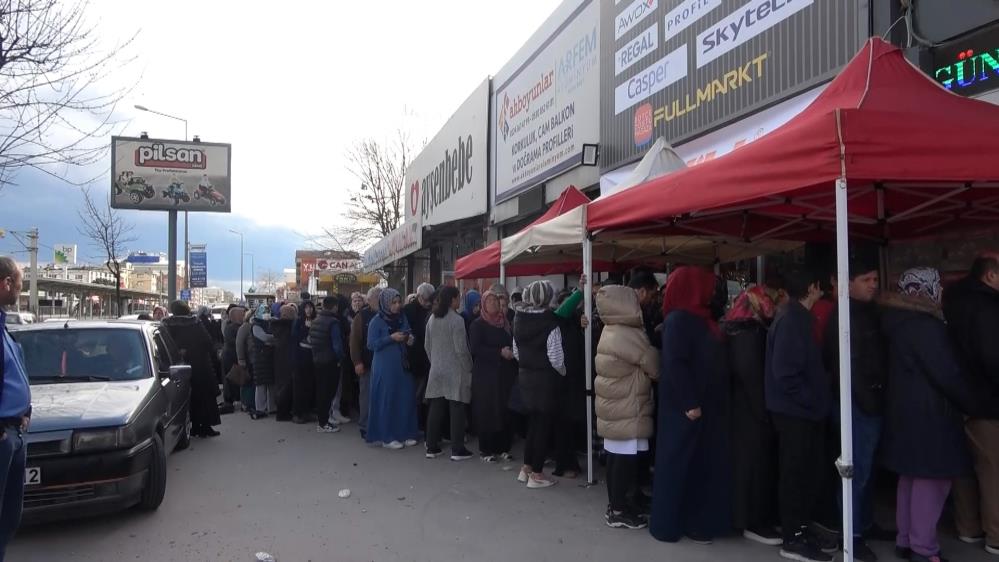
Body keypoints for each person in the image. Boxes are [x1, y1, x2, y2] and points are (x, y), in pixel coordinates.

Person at [881, 267, 995, 562]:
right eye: (938, 286)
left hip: (906, 413)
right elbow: (948, 374)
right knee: (932, 482)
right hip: (930, 415)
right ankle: (924, 548)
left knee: (911, 478)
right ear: (927, 290)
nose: (942, 292)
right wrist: (976, 402)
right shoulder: (925, 327)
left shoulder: (896, 321)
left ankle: (906, 540)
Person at [650, 266, 731, 544]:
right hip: (685, 408)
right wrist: (689, 403)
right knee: (676, 465)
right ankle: (668, 525)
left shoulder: (698, 318)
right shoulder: (678, 320)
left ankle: (694, 522)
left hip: (699, 406)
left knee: (696, 467)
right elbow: (675, 363)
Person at [765, 267, 833, 562]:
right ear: (813, 287)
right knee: (794, 474)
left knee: (803, 472)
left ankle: (800, 527)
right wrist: (814, 401)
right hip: (794, 413)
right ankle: (792, 537)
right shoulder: (792, 319)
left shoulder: (795, 317)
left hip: (799, 410)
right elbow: (785, 374)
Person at [821, 261, 886, 560]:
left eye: (875, 278)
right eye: (867, 278)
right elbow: (848, 367)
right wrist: (869, 402)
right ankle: (852, 532)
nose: (873, 283)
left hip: (865, 402)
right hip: (856, 406)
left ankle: (863, 524)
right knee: (854, 471)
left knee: (865, 470)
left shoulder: (866, 312)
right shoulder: (845, 316)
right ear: (848, 283)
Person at [943, 252, 999, 555]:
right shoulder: (987, 307)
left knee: (964, 468)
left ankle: (968, 527)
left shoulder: (953, 301)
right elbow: (993, 357)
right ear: (989, 276)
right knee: (993, 469)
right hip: (986, 399)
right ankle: (997, 535)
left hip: (958, 395)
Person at [595, 283, 659, 530]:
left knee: (617, 459)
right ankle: (619, 510)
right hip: (626, 407)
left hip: (617, 407)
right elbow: (653, 364)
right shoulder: (626, 333)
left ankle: (620, 504)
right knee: (622, 461)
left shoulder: (612, 329)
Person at [723, 286, 781, 546]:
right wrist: (764, 412)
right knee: (753, 468)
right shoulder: (748, 334)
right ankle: (752, 520)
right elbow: (752, 378)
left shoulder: (737, 329)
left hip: (741, 410)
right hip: (750, 414)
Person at [512, 280, 563, 489]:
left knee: (532, 423)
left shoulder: (518, 318)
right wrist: (563, 372)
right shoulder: (550, 321)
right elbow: (556, 357)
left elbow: (516, 352)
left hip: (525, 378)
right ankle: (537, 473)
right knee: (542, 426)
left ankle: (526, 467)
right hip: (545, 379)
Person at [0, 257, 32, 559]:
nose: (20, 290)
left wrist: (25, 409)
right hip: (3, 435)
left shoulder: (4, 327)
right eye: (20, 283)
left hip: (14, 432)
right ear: (6, 282)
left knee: (9, 517)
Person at [423, 286, 475, 461]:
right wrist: (469, 366)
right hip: (455, 370)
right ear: (452, 299)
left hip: (436, 368)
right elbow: (461, 349)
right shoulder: (457, 320)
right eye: (458, 298)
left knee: (435, 408)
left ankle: (431, 447)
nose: (459, 301)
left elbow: (427, 345)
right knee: (457, 408)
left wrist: (435, 361)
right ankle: (457, 449)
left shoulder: (432, 318)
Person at [365, 288, 420, 449]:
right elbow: (371, 344)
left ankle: (406, 433)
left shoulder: (402, 318)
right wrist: (391, 338)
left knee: (405, 397)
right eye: (393, 303)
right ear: (385, 303)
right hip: (385, 366)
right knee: (387, 399)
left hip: (402, 364)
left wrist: (410, 339)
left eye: (398, 302)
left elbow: (409, 333)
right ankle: (387, 437)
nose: (397, 306)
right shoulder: (377, 321)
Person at [470, 286, 517, 463]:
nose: (494, 304)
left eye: (496, 301)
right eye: (490, 301)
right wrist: (498, 352)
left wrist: (510, 351)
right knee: (487, 411)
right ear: (483, 303)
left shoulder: (504, 322)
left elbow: (512, 340)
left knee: (504, 409)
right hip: (485, 375)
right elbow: (475, 348)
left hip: (504, 374)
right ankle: (486, 450)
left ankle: (503, 447)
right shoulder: (478, 324)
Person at [162, 300, 222, 437]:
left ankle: (191, 427)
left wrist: (180, 352)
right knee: (204, 397)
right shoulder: (195, 323)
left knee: (186, 398)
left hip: (177, 366)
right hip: (200, 365)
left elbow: (165, 346)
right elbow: (208, 342)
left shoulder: (167, 324)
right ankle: (205, 427)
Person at [309, 296, 345, 433]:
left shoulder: (316, 321)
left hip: (318, 360)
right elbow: (337, 346)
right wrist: (340, 358)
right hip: (330, 362)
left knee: (321, 392)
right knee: (328, 393)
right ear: (335, 306)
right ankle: (324, 423)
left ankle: (323, 419)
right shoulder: (333, 322)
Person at [404, 283, 435, 432]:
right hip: (415, 358)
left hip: (427, 359)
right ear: (420, 297)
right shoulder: (409, 310)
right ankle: (414, 424)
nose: (428, 303)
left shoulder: (429, 310)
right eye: (426, 299)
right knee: (415, 394)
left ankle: (422, 424)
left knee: (424, 396)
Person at [351, 287, 381, 439]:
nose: (378, 300)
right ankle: (365, 426)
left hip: (383, 364)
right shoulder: (361, 316)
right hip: (367, 363)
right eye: (376, 297)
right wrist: (357, 362)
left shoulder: (386, 314)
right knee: (366, 396)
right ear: (368, 301)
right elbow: (355, 341)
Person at [291, 300, 317, 424]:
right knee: (299, 387)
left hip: (312, 356)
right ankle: (298, 413)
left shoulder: (316, 320)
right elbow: (295, 336)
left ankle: (308, 411)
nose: (309, 310)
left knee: (310, 386)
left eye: (310, 307)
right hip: (301, 357)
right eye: (306, 307)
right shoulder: (299, 321)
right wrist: (306, 329)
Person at [270, 303, 297, 422]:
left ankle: (281, 411)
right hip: (288, 358)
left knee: (280, 385)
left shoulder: (276, 326)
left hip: (278, 358)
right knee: (287, 386)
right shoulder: (289, 326)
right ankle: (284, 413)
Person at [250, 304, 277, 420]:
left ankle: (272, 407)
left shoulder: (269, 323)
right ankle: (260, 408)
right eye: (264, 311)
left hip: (268, 357)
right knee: (261, 384)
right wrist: (274, 338)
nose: (266, 313)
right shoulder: (256, 325)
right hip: (260, 357)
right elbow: (264, 337)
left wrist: (270, 340)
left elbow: (267, 339)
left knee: (271, 383)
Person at [221, 306, 246, 412]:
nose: (244, 316)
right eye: (242, 314)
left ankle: (230, 401)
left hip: (230, 356)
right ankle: (229, 402)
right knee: (231, 379)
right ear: (236, 316)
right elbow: (236, 342)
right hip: (231, 357)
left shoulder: (230, 327)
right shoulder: (233, 328)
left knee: (232, 379)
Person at [235, 310, 257, 413]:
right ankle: (246, 404)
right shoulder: (245, 327)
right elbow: (239, 344)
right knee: (246, 382)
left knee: (252, 382)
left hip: (254, 359)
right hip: (247, 360)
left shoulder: (256, 326)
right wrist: (241, 359)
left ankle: (251, 403)